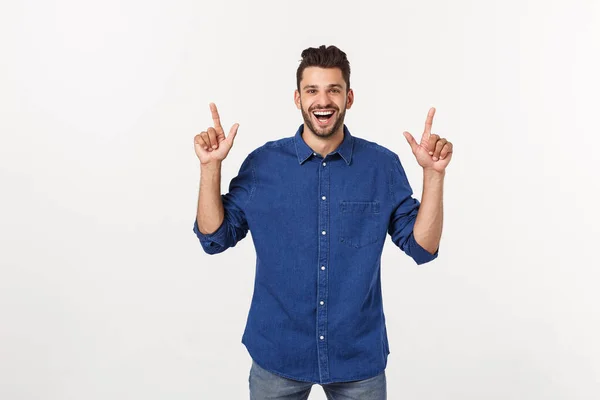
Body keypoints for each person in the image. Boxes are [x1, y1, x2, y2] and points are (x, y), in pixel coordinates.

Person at [193, 45, 453, 400]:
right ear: (297, 98)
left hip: (357, 357)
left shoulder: (381, 166)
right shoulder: (263, 165)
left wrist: (433, 176)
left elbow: (423, 247)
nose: (323, 100)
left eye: (333, 89)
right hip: (277, 353)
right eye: (312, 90)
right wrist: (210, 167)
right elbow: (214, 238)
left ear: (349, 96)